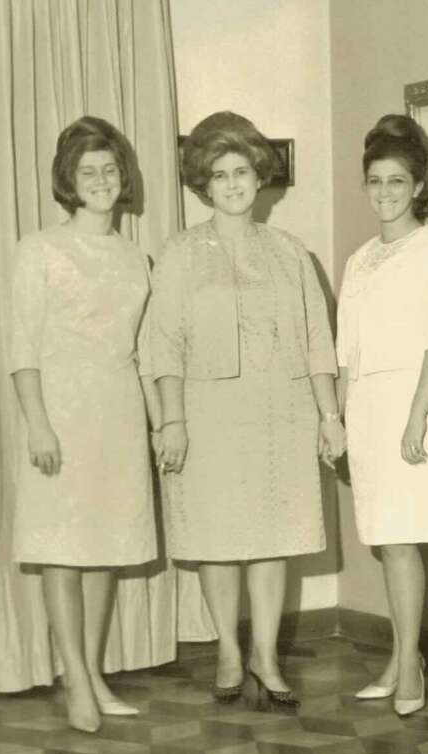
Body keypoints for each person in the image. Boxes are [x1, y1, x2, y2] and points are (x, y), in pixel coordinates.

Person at [150, 111, 346, 712]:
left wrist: (329, 417)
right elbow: (163, 344)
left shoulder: (290, 252)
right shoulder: (180, 253)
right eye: (219, 174)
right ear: (203, 185)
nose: (232, 183)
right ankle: (229, 653)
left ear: (260, 177)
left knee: (271, 537)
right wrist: (172, 421)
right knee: (217, 539)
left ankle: (266, 654)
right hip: (207, 413)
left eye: (241, 171)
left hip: (280, 411)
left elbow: (317, 340)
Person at [10, 116, 161, 732]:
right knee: (63, 551)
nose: (101, 180)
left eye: (109, 169)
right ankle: (74, 676)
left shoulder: (135, 256)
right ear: (68, 182)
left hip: (118, 414)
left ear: (123, 177)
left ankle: (94, 674)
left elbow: (143, 352)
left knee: (107, 549)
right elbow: (22, 349)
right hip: (62, 414)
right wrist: (38, 426)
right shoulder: (39, 249)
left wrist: (158, 424)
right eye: (87, 171)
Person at [335, 114, 428, 717]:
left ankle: (410, 667)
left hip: (416, 405)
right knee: (386, 542)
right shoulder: (358, 259)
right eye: (375, 181)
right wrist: (334, 420)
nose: (384, 192)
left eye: (396, 181)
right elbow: (345, 353)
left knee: (403, 541)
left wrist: (416, 420)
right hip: (366, 409)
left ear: (418, 186)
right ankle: (399, 658)